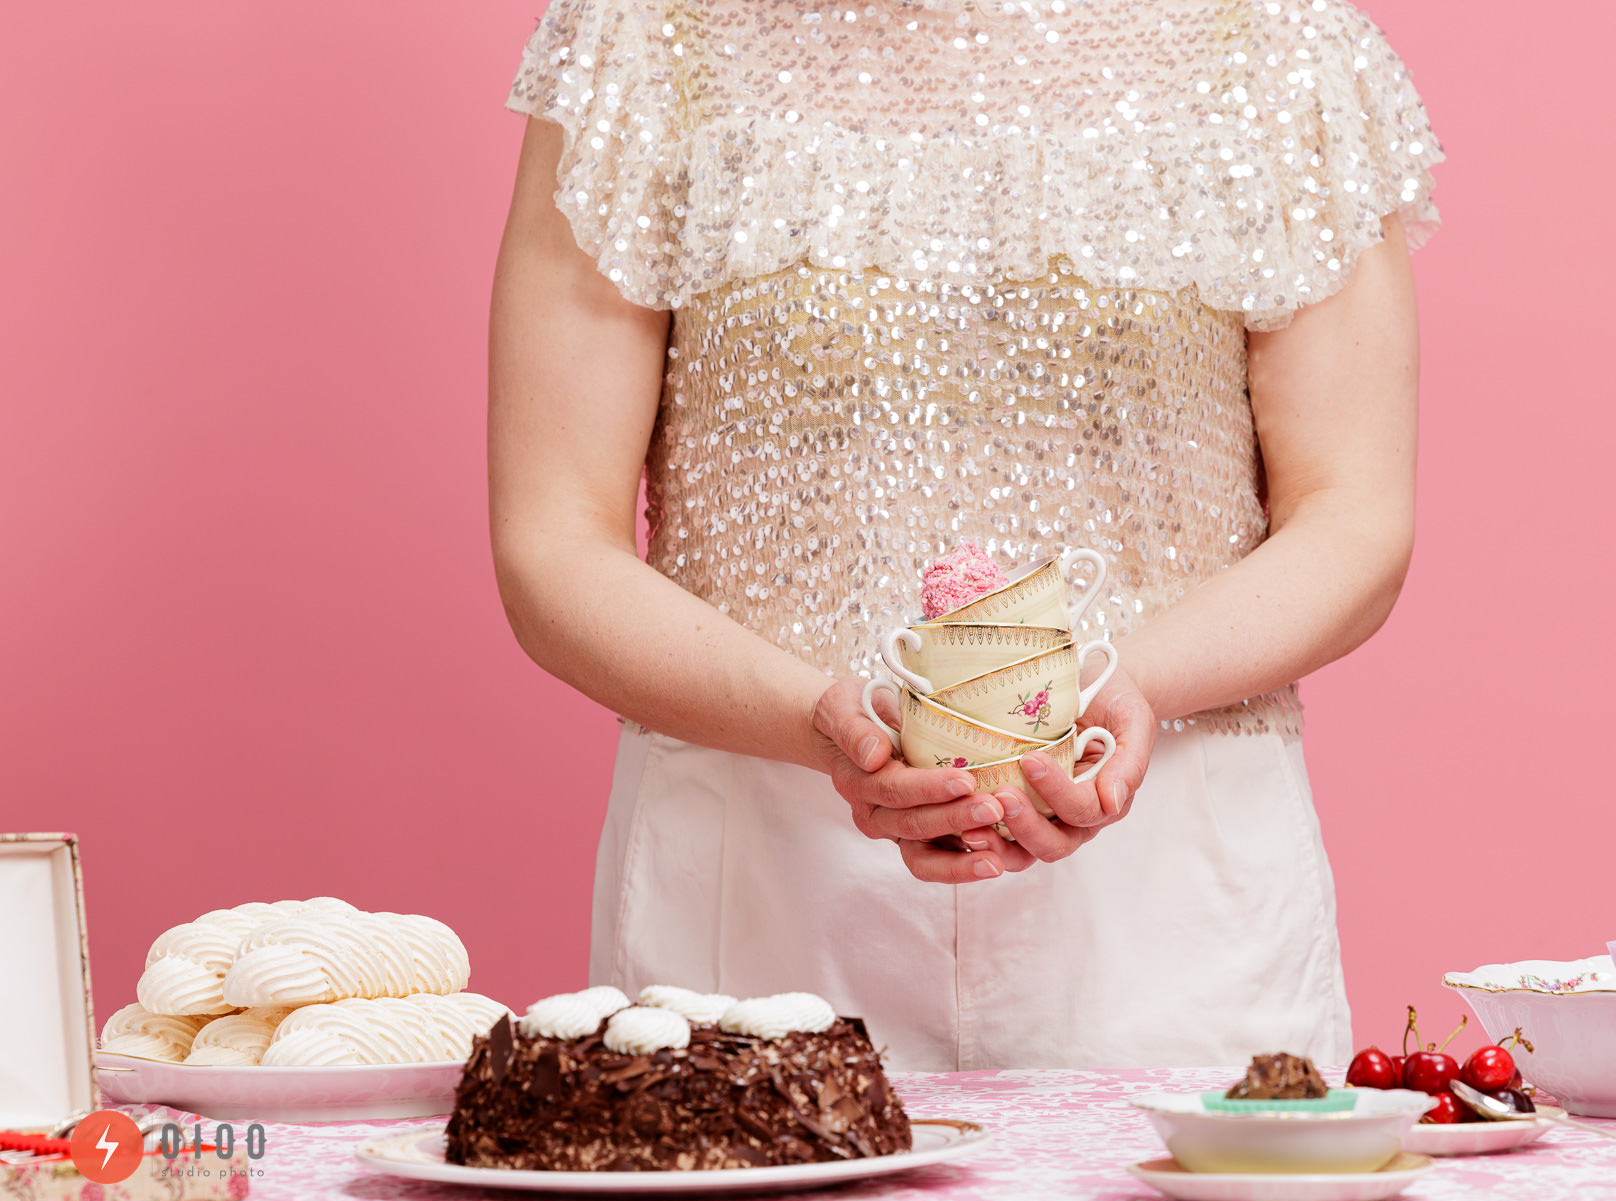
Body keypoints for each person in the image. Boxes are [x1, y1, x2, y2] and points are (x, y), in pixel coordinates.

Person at [488, 0, 1440, 1070]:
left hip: (1168, 875)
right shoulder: (646, 41)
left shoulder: (1274, 44)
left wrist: (1126, 682)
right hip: (751, 866)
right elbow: (553, 543)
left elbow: (1352, 519)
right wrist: (822, 728)